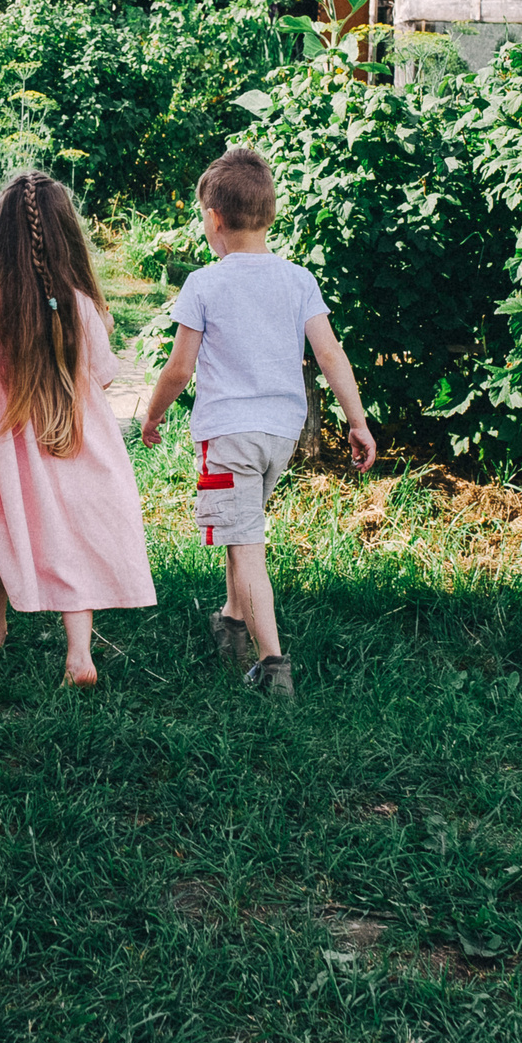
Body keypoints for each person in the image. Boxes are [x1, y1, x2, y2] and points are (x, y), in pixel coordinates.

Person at [138, 147, 374, 701]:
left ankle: (272, 666)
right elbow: (330, 354)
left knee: (246, 546)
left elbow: (178, 368)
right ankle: (230, 622)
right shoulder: (298, 279)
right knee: (239, 529)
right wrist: (357, 420)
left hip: (227, 436)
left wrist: (153, 414)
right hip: (280, 435)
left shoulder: (204, 284)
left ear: (214, 219)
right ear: (268, 216)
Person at [0, 171, 156, 688]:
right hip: (70, 446)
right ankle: (79, 655)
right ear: (67, 236)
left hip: (4, 456)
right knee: (72, 543)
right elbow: (105, 376)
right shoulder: (80, 303)